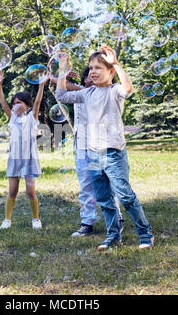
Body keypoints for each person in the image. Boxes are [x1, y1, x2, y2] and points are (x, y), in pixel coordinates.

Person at [55, 46, 154, 251]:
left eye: (99, 67)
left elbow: (128, 89)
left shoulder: (114, 91)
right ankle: (113, 236)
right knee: (104, 199)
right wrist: (63, 69)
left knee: (125, 196)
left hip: (113, 153)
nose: (93, 71)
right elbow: (62, 94)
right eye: (91, 67)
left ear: (110, 72)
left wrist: (116, 63)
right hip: (93, 154)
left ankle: (145, 234)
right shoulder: (87, 93)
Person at [50, 68, 124, 238]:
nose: (91, 79)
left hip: (100, 143)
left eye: (94, 75)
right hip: (82, 144)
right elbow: (59, 84)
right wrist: (62, 74)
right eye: (88, 77)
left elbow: (64, 84)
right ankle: (87, 222)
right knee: (85, 185)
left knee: (108, 182)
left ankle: (116, 219)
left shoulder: (99, 93)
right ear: (83, 81)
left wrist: (63, 78)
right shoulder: (81, 93)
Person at [0, 70, 48, 230]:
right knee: (12, 191)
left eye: (20, 102)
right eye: (14, 103)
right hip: (15, 159)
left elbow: (38, 102)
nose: (16, 105)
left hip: (29, 159)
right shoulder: (12, 118)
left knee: (30, 192)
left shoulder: (32, 118)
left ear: (27, 105)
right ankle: (7, 219)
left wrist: (41, 85)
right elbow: (3, 103)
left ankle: (36, 219)